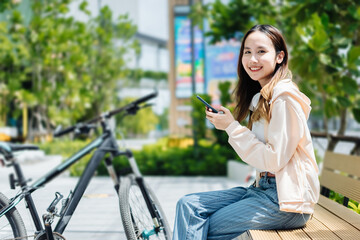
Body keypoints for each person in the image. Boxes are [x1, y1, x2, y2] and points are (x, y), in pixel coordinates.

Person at [172, 24, 320, 240]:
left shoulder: (284, 98)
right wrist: (230, 126)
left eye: (261, 51)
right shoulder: (261, 98)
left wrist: (232, 127)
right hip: (262, 189)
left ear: (279, 56)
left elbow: (274, 160)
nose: (252, 60)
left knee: (200, 227)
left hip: (287, 201)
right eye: (247, 52)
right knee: (188, 205)